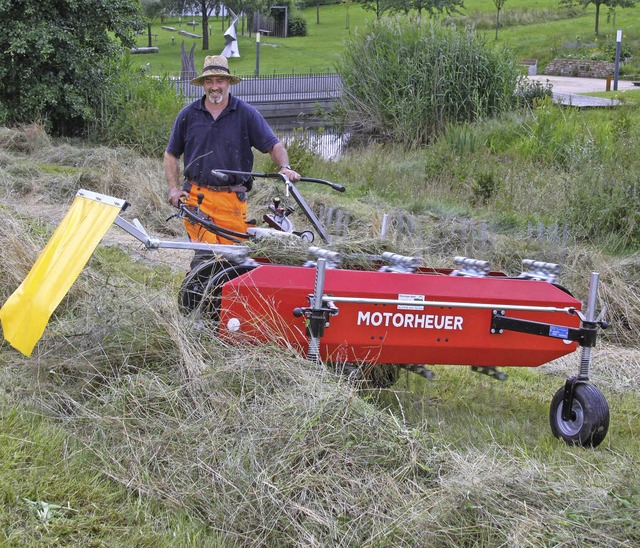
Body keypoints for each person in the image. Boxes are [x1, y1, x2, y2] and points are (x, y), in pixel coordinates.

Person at [165, 55, 301, 246]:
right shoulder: (188, 115)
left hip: (232, 202)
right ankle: (201, 275)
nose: (214, 86)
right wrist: (173, 189)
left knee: (233, 261)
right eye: (209, 81)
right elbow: (171, 154)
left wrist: (284, 167)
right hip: (196, 199)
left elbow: (274, 145)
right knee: (208, 255)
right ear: (203, 84)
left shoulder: (246, 114)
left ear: (228, 82)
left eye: (220, 80)